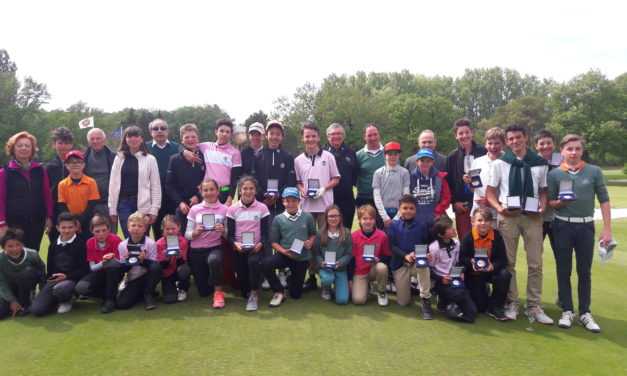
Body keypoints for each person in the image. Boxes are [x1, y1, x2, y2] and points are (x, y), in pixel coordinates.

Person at [486, 124, 553, 324]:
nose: (515, 141)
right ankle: (512, 301)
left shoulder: (539, 163)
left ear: (525, 138)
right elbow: (490, 192)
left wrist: (542, 208)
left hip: (532, 217)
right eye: (511, 139)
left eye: (518, 137)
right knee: (509, 263)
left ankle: (534, 304)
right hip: (508, 216)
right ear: (507, 142)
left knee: (535, 263)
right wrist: (499, 209)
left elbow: (543, 191)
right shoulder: (500, 163)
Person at [548, 134, 611, 333]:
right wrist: (561, 202)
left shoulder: (594, 171)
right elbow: (551, 203)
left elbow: (604, 200)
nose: (573, 152)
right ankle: (567, 310)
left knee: (584, 272)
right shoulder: (555, 174)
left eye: (577, 149)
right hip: (562, 226)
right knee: (563, 270)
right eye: (569, 149)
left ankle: (585, 312)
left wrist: (607, 230)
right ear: (562, 151)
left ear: (582, 150)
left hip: (586, 226)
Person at [294, 122, 340, 290]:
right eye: (307, 136)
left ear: (319, 137)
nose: (310, 139)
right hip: (306, 207)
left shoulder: (328, 157)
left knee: (325, 242)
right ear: (302, 138)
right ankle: (312, 276)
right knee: (308, 243)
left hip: (325, 207)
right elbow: (298, 181)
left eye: (313, 136)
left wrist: (323, 189)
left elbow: (336, 178)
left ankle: (327, 277)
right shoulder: (298, 160)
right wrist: (302, 190)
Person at [261, 187, 316, 307]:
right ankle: (279, 291)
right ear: (283, 202)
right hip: (284, 255)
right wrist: (283, 252)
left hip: (301, 258)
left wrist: (311, 242)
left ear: (299, 201)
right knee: (266, 264)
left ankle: (290, 276)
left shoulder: (307, 217)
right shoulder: (278, 219)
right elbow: (274, 242)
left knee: (296, 295)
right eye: (288, 200)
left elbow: (313, 234)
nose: (291, 203)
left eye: (294, 200)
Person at [0, 131, 53, 251]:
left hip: (37, 222)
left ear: (32, 149)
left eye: (27, 145)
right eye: (20, 145)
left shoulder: (40, 170)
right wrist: (2, 224)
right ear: (13, 149)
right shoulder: (4, 173)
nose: (24, 148)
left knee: (33, 254)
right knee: (15, 256)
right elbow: (0, 200)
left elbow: (47, 195)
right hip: (14, 223)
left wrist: (49, 217)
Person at [31, 212, 88, 316]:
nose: (66, 230)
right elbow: (50, 269)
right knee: (37, 310)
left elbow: (84, 269)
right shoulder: (53, 245)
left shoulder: (81, 244)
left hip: (71, 280)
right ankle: (55, 299)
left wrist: (66, 276)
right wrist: (46, 286)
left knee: (61, 289)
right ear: (57, 228)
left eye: (70, 227)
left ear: (76, 227)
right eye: (63, 227)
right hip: (55, 280)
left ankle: (68, 299)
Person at [108, 125, 161, 239]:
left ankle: (143, 257)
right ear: (125, 139)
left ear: (142, 139)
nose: (133, 139)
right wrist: (112, 208)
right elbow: (113, 184)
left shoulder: (150, 159)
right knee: (129, 238)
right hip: (124, 204)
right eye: (130, 136)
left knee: (142, 239)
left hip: (143, 205)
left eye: (136, 136)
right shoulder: (119, 158)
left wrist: (154, 209)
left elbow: (155, 186)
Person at [459, 208, 511, 321]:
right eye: (479, 220)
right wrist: (471, 261)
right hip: (474, 273)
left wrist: (493, 266)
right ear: (473, 221)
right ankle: (484, 292)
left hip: (490, 271)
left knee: (505, 274)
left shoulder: (496, 236)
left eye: (487, 220)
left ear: (491, 222)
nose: (483, 223)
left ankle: (496, 306)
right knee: (480, 307)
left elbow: (503, 260)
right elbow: (461, 258)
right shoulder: (468, 237)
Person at [227, 177, 269, 311]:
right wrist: (236, 244)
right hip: (239, 249)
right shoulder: (232, 209)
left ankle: (254, 295)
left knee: (252, 262)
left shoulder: (262, 208)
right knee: (244, 291)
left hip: (256, 249)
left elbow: (265, 233)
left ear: (256, 191)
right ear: (240, 190)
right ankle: (253, 286)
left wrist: (260, 244)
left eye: (251, 188)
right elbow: (230, 234)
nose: (248, 191)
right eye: (245, 188)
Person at [387, 194, 431, 318]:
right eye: (405, 208)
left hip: (415, 263)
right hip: (399, 265)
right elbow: (392, 246)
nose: (408, 211)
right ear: (399, 209)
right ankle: (411, 287)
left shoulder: (422, 225)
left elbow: (424, 244)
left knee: (424, 266)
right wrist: (405, 255)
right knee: (403, 302)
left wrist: (419, 254)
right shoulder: (393, 225)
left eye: (411, 208)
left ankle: (425, 299)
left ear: (415, 210)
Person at [186, 179, 228, 304]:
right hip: (196, 251)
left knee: (213, 260)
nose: (209, 193)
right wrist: (195, 233)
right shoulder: (194, 209)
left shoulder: (225, 209)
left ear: (217, 191)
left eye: (212, 189)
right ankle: (212, 280)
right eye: (205, 190)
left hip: (214, 248)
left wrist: (223, 230)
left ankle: (218, 292)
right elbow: (187, 235)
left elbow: (229, 235)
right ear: (201, 192)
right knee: (204, 293)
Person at [428, 215, 477, 323]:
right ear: (441, 234)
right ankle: (444, 299)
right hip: (439, 282)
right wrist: (440, 278)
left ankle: (449, 301)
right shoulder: (434, 248)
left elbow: (459, 261)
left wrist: (461, 272)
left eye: (452, 226)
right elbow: (429, 268)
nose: (453, 229)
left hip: (455, 278)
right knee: (459, 294)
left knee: (474, 311)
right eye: (449, 228)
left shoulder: (456, 243)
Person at [445, 118, 487, 239]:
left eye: (467, 132)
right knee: (465, 239)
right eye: (461, 133)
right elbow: (449, 184)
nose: (464, 136)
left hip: (482, 202)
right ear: (456, 136)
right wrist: (454, 202)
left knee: (482, 239)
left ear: (472, 133)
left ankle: (482, 259)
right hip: (462, 205)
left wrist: (488, 198)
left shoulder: (484, 152)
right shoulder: (452, 157)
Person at [184, 118, 242, 205]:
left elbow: (235, 179)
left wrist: (230, 199)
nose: (224, 134)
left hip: (224, 193)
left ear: (231, 134)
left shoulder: (235, 153)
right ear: (216, 132)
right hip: (206, 193)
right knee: (206, 218)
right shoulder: (206, 147)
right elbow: (187, 144)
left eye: (227, 132)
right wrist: (184, 151)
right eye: (221, 131)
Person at [74, 215, 123, 313]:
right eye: (97, 231)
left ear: (108, 229)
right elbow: (92, 268)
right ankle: (104, 294)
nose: (101, 234)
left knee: (112, 267)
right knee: (80, 288)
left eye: (104, 230)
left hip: (114, 272)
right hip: (99, 272)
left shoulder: (116, 240)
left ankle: (110, 299)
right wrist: (103, 263)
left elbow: (122, 264)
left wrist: (112, 260)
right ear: (91, 231)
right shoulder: (89, 243)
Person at [251, 120, 296, 221]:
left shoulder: (287, 156)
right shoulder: (258, 155)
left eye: (278, 134)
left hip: (283, 201)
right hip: (263, 200)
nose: (274, 137)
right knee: (265, 230)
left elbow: (291, 180)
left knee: (283, 230)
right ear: (266, 136)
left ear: (282, 137)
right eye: (271, 133)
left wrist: (277, 195)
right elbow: (254, 180)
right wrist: (264, 194)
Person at [116, 211, 162, 310]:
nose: (136, 228)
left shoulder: (150, 243)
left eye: (140, 226)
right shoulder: (122, 245)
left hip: (148, 277)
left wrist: (143, 260)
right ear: (128, 227)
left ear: (145, 229)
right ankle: (142, 293)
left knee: (156, 267)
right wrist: (127, 261)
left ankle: (148, 294)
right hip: (133, 279)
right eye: (133, 225)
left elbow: (154, 266)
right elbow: (122, 269)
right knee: (122, 304)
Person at [166, 123, 205, 235]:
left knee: (201, 235)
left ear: (198, 138)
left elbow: (207, 180)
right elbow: (169, 185)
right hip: (182, 206)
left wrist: (198, 196)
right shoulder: (174, 159)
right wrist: (180, 203)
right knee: (182, 236)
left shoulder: (205, 156)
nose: (190, 139)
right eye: (186, 137)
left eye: (193, 136)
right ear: (181, 140)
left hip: (201, 203)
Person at [145, 119, 181, 240]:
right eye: (155, 129)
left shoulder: (178, 148)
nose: (159, 131)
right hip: (152, 197)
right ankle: (160, 258)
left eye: (162, 128)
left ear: (167, 131)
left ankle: (176, 257)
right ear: (151, 132)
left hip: (173, 196)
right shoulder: (144, 148)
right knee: (157, 229)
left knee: (173, 228)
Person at [0, 228, 45, 319]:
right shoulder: (1, 258)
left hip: (26, 283)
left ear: (23, 244)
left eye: (18, 244)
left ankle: (27, 302)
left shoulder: (32, 254)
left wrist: (42, 290)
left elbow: (41, 271)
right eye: (10, 246)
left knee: (25, 274)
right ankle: (14, 304)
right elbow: (1, 282)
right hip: (10, 287)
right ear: (3, 247)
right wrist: (12, 300)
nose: (15, 249)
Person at [462, 127, 505, 222]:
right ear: (485, 144)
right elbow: (473, 189)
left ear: (504, 144)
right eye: (490, 143)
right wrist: (469, 182)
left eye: (497, 143)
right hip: (479, 214)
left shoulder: (508, 162)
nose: (493, 147)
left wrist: (492, 202)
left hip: (500, 214)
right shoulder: (477, 162)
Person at [351, 204, 390, 306]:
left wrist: (379, 259)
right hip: (360, 272)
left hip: (374, 269)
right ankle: (367, 286)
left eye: (371, 218)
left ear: (375, 220)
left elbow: (387, 256)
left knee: (381, 267)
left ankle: (382, 292)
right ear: (359, 220)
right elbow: (351, 258)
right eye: (365, 219)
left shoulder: (382, 235)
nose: (368, 221)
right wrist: (350, 279)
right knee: (358, 300)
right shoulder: (354, 236)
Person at [313, 205, 352, 305]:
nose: (333, 219)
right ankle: (326, 287)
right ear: (326, 218)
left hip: (340, 268)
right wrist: (321, 262)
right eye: (330, 216)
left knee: (342, 300)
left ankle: (338, 286)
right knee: (327, 278)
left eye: (336, 216)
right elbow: (316, 253)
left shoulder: (347, 233)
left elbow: (348, 254)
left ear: (340, 217)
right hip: (325, 268)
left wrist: (341, 263)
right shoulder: (320, 233)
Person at [57, 150, 100, 238]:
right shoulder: (62, 184)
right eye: (71, 162)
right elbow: (62, 205)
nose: (75, 164)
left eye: (78, 162)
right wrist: (74, 222)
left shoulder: (91, 182)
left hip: (87, 220)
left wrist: (80, 221)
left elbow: (92, 204)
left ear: (84, 165)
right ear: (66, 166)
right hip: (70, 223)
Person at [324, 123, 359, 228]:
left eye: (339, 133)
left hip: (347, 198)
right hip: (328, 198)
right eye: (333, 134)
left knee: (346, 229)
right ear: (328, 136)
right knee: (329, 230)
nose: (336, 136)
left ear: (343, 136)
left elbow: (355, 175)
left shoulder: (352, 153)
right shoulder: (322, 153)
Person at [45, 126, 74, 243]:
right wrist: (48, 217)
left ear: (71, 144)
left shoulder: (78, 164)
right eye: (60, 143)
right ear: (54, 144)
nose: (63, 146)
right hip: (55, 212)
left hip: (75, 210)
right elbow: (46, 193)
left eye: (66, 143)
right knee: (55, 245)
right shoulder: (50, 166)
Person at [372, 142, 410, 228]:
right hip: (383, 213)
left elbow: (406, 195)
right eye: (390, 154)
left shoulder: (404, 172)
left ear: (399, 155)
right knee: (383, 238)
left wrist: (398, 216)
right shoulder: (378, 173)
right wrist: (385, 217)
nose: (392, 157)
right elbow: (377, 195)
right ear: (385, 155)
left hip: (399, 212)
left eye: (395, 154)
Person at [83, 128, 117, 224]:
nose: (95, 141)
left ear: (104, 140)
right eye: (92, 139)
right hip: (88, 205)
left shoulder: (115, 157)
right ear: (88, 141)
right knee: (90, 236)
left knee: (110, 235)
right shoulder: (82, 158)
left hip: (108, 204)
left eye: (98, 138)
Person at [155, 215, 191, 304]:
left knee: (184, 269)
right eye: (167, 229)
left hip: (180, 269)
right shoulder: (159, 243)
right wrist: (166, 259)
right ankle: (173, 285)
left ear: (179, 227)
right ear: (162, 228)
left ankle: (183, 288)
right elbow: (163, 267)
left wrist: (180, 257)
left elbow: (184, 263)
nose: (170, 231)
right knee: (169, 299)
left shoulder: (183, 241)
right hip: (167, 272)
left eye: (173, 228)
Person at [409, 148, 451, 223]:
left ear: (433, 162)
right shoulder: (409, 178)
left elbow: (446, 199)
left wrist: (438, 212)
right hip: (415, 220)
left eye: (428, 161)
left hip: (435, 219)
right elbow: (406, 199)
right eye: (422, 160)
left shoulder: (440, 178)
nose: (425, 163)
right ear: (417, 161)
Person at [356, 123, 385, 228]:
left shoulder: (389, 153)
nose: (373, 138)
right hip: (365, 198)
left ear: (379, 135)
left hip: (384, 198)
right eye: (369, 135)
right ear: (364, 137)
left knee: (384, 230)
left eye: (375, 134)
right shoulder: (358, 155)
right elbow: (354, 176)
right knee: (367, 229)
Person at [534, 130, 558, 254]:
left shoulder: (564, 161)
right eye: (541, 143)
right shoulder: (530, 162)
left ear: (554, 144)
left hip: (559, 216)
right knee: (535, 255)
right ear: (536, 146)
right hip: (538, 216)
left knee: (561, 255)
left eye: (548, 143)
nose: (545, 146)